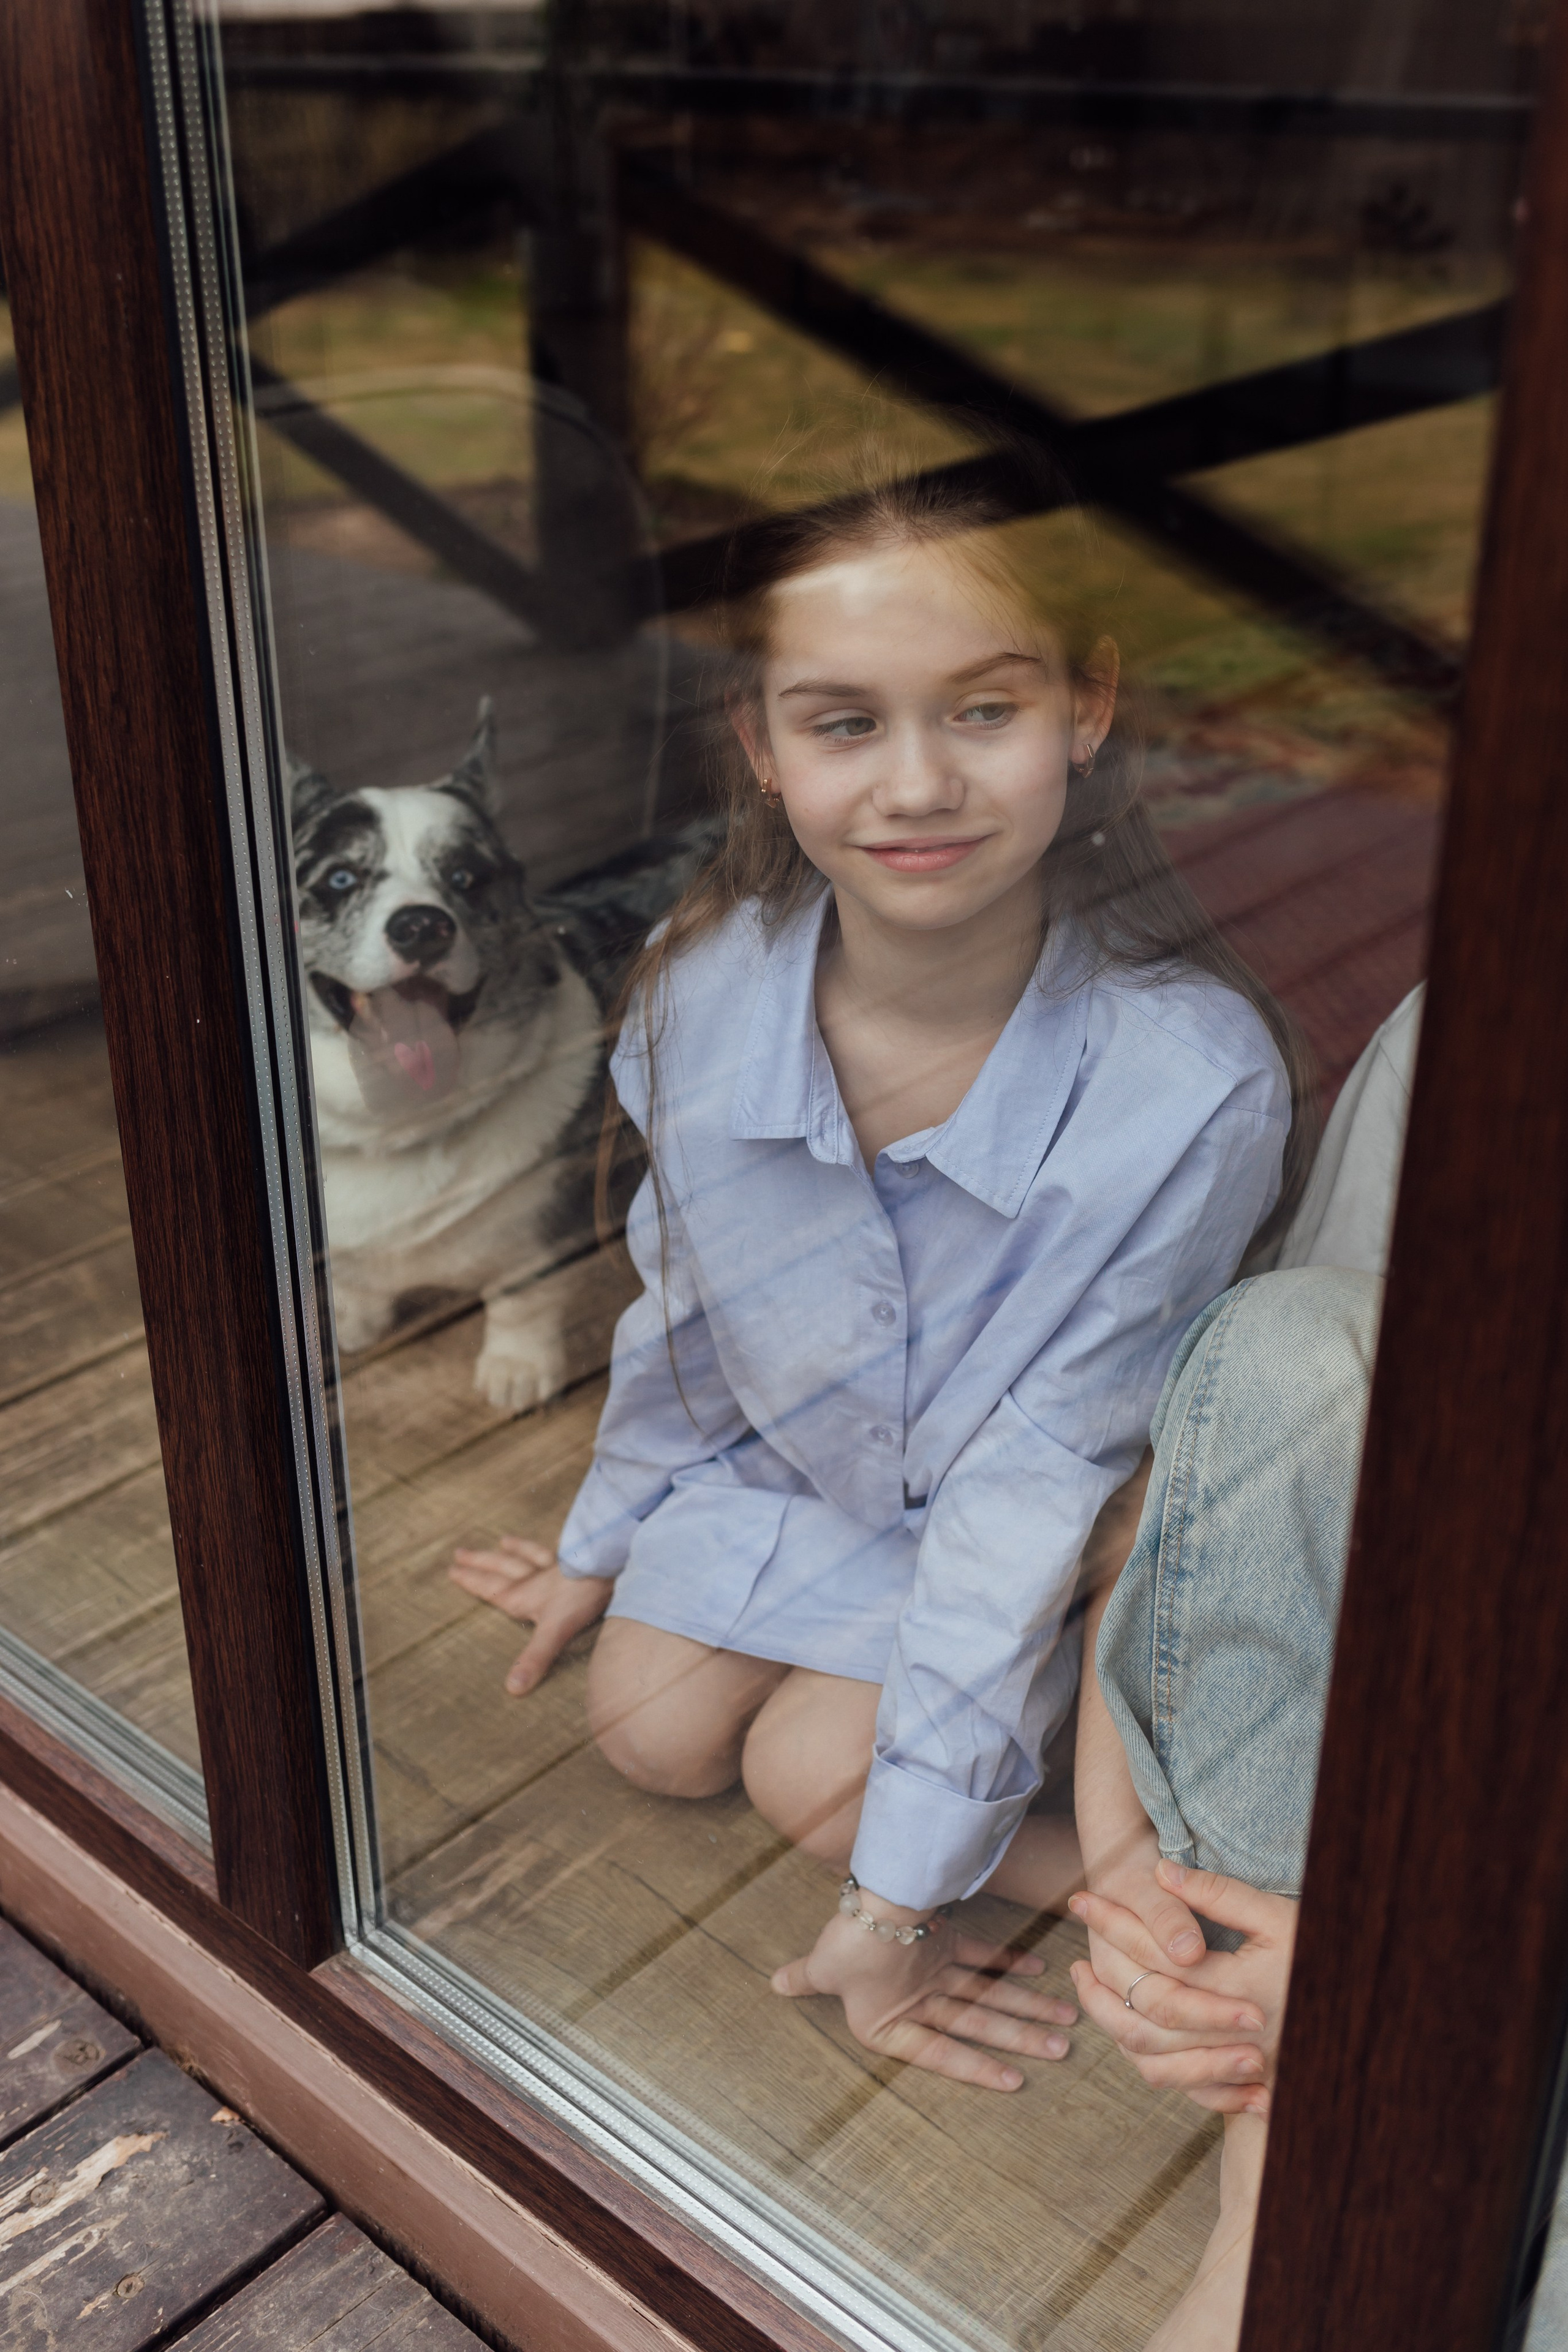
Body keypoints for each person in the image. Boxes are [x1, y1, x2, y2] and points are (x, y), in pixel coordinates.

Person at [449, 455, 1314, 2089]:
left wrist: (896, 1904)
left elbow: (1037, 1488)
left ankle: (1125, 1889)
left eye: (983, 710)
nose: (917, 784)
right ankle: (991, 1833)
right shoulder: (700, 992)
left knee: (812, 1779)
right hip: (801, 1473)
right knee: (648, 1730)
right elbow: (684, 1309)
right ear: (760, 745)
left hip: (1038, 1539)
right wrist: (599, 1538)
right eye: (844, 723)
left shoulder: (1188, 1090)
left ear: (1086, 706)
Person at [1065, 986, 1423, 2350]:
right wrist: (1134, 1880)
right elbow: (1236, 1462)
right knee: (1288, 1348)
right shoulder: (1494, 1008)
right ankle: (1277, 2178)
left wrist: (1412, 1967)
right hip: (1403, 1779)